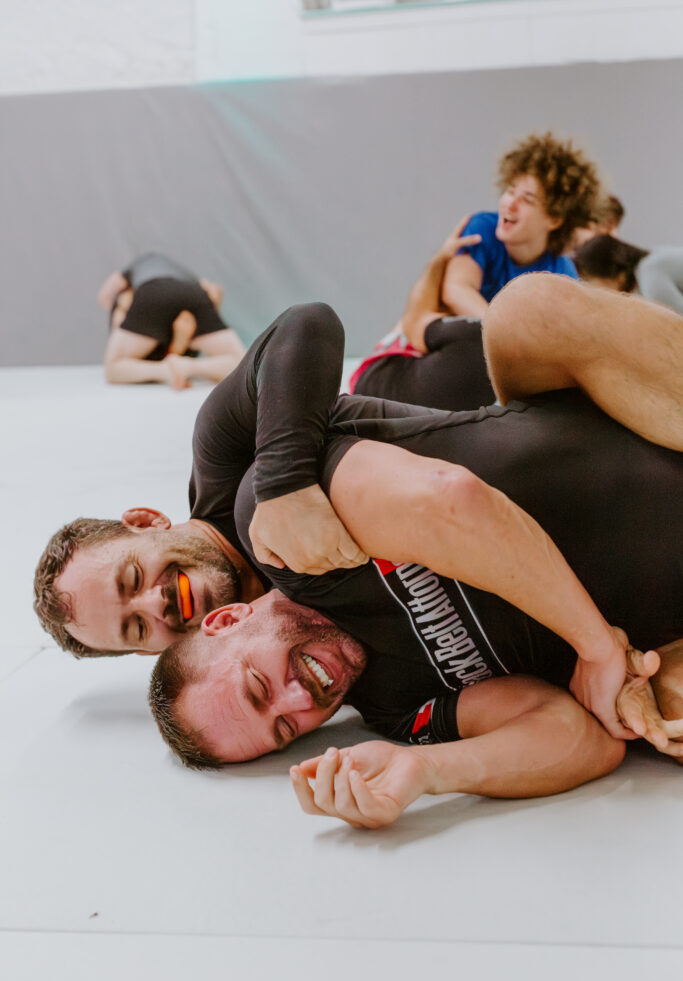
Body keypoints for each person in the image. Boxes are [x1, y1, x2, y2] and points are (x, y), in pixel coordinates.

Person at [35, 278, 683, 735]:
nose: (154, 605)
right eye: (136, 628)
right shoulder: (305, 662)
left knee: (528, 308)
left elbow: (306, 323)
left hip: (548, 442)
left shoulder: (227, 460)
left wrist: (287, 485)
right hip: (622, 597)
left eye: (131, 581)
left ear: (145, 522)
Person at [440, 132, 600, 318]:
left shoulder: (562, 271)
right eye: (510, 191)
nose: (511, 203)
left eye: (527, 199)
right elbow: (456, 289)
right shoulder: (481, 229)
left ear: (554, 219)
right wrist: (503, 333)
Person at [348, 219, 496, 411]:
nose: (510, 205)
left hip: (390, 393)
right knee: (478, 336)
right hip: (385, 378)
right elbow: (416, 320)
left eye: (527, 199)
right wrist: (440, 260)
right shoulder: (461, 319)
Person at [98, 252, 245, 388]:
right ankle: (188, 366)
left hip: (153, 291)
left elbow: (105, 296)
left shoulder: (136, 268)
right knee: (242, 364)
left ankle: (164, 370)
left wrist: (120, 313)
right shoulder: (189, 275)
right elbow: (215, 292)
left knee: (113, 368)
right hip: (195, 293)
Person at [575, 234, 683, 317]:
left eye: (589, 280)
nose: (594, 290)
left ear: (609, 271)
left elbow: (679, 326)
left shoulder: (650, 279)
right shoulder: (652, 259)